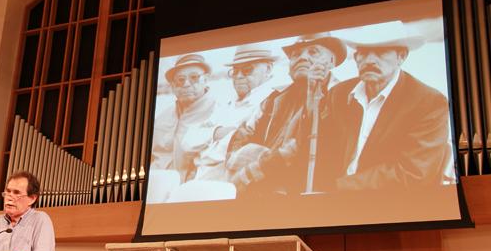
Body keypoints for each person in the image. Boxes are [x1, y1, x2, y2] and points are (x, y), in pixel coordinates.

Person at [319, 22, 451, 191]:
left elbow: (414, 172)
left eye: (381, 51)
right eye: (364, 52)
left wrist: (337, 188)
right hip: (331, 203)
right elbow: (323, 149)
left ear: (401, 56)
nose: (370, 60)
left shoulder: (429, 102)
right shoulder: (338, 93)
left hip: (394, 206)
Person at [226, 32, 347, 197]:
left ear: (331, 61)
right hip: (259, 188)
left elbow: (309, 148)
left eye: (313, 52)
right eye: (296, 54)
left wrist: (256, 166)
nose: (302, 58)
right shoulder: (275, 98)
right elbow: (243, 134)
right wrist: (246, 158)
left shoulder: (342, 97)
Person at [184, 43, 280, 181]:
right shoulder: (226, 102)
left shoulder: (271, 102)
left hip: (228, 183)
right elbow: (187, 142)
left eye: (247, 70)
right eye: (235, 71)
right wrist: (216, 132)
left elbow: (231, 152)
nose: (239, 76)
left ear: (268, 69)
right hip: (200, 178)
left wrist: (205, 144)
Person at [150, 53, 216, 183]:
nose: (186, 84)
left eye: (194, 77)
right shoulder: (161, 118)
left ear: (206, 79)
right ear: (173, 86)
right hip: (156, 190)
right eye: (180, 79)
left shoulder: (220, 112)